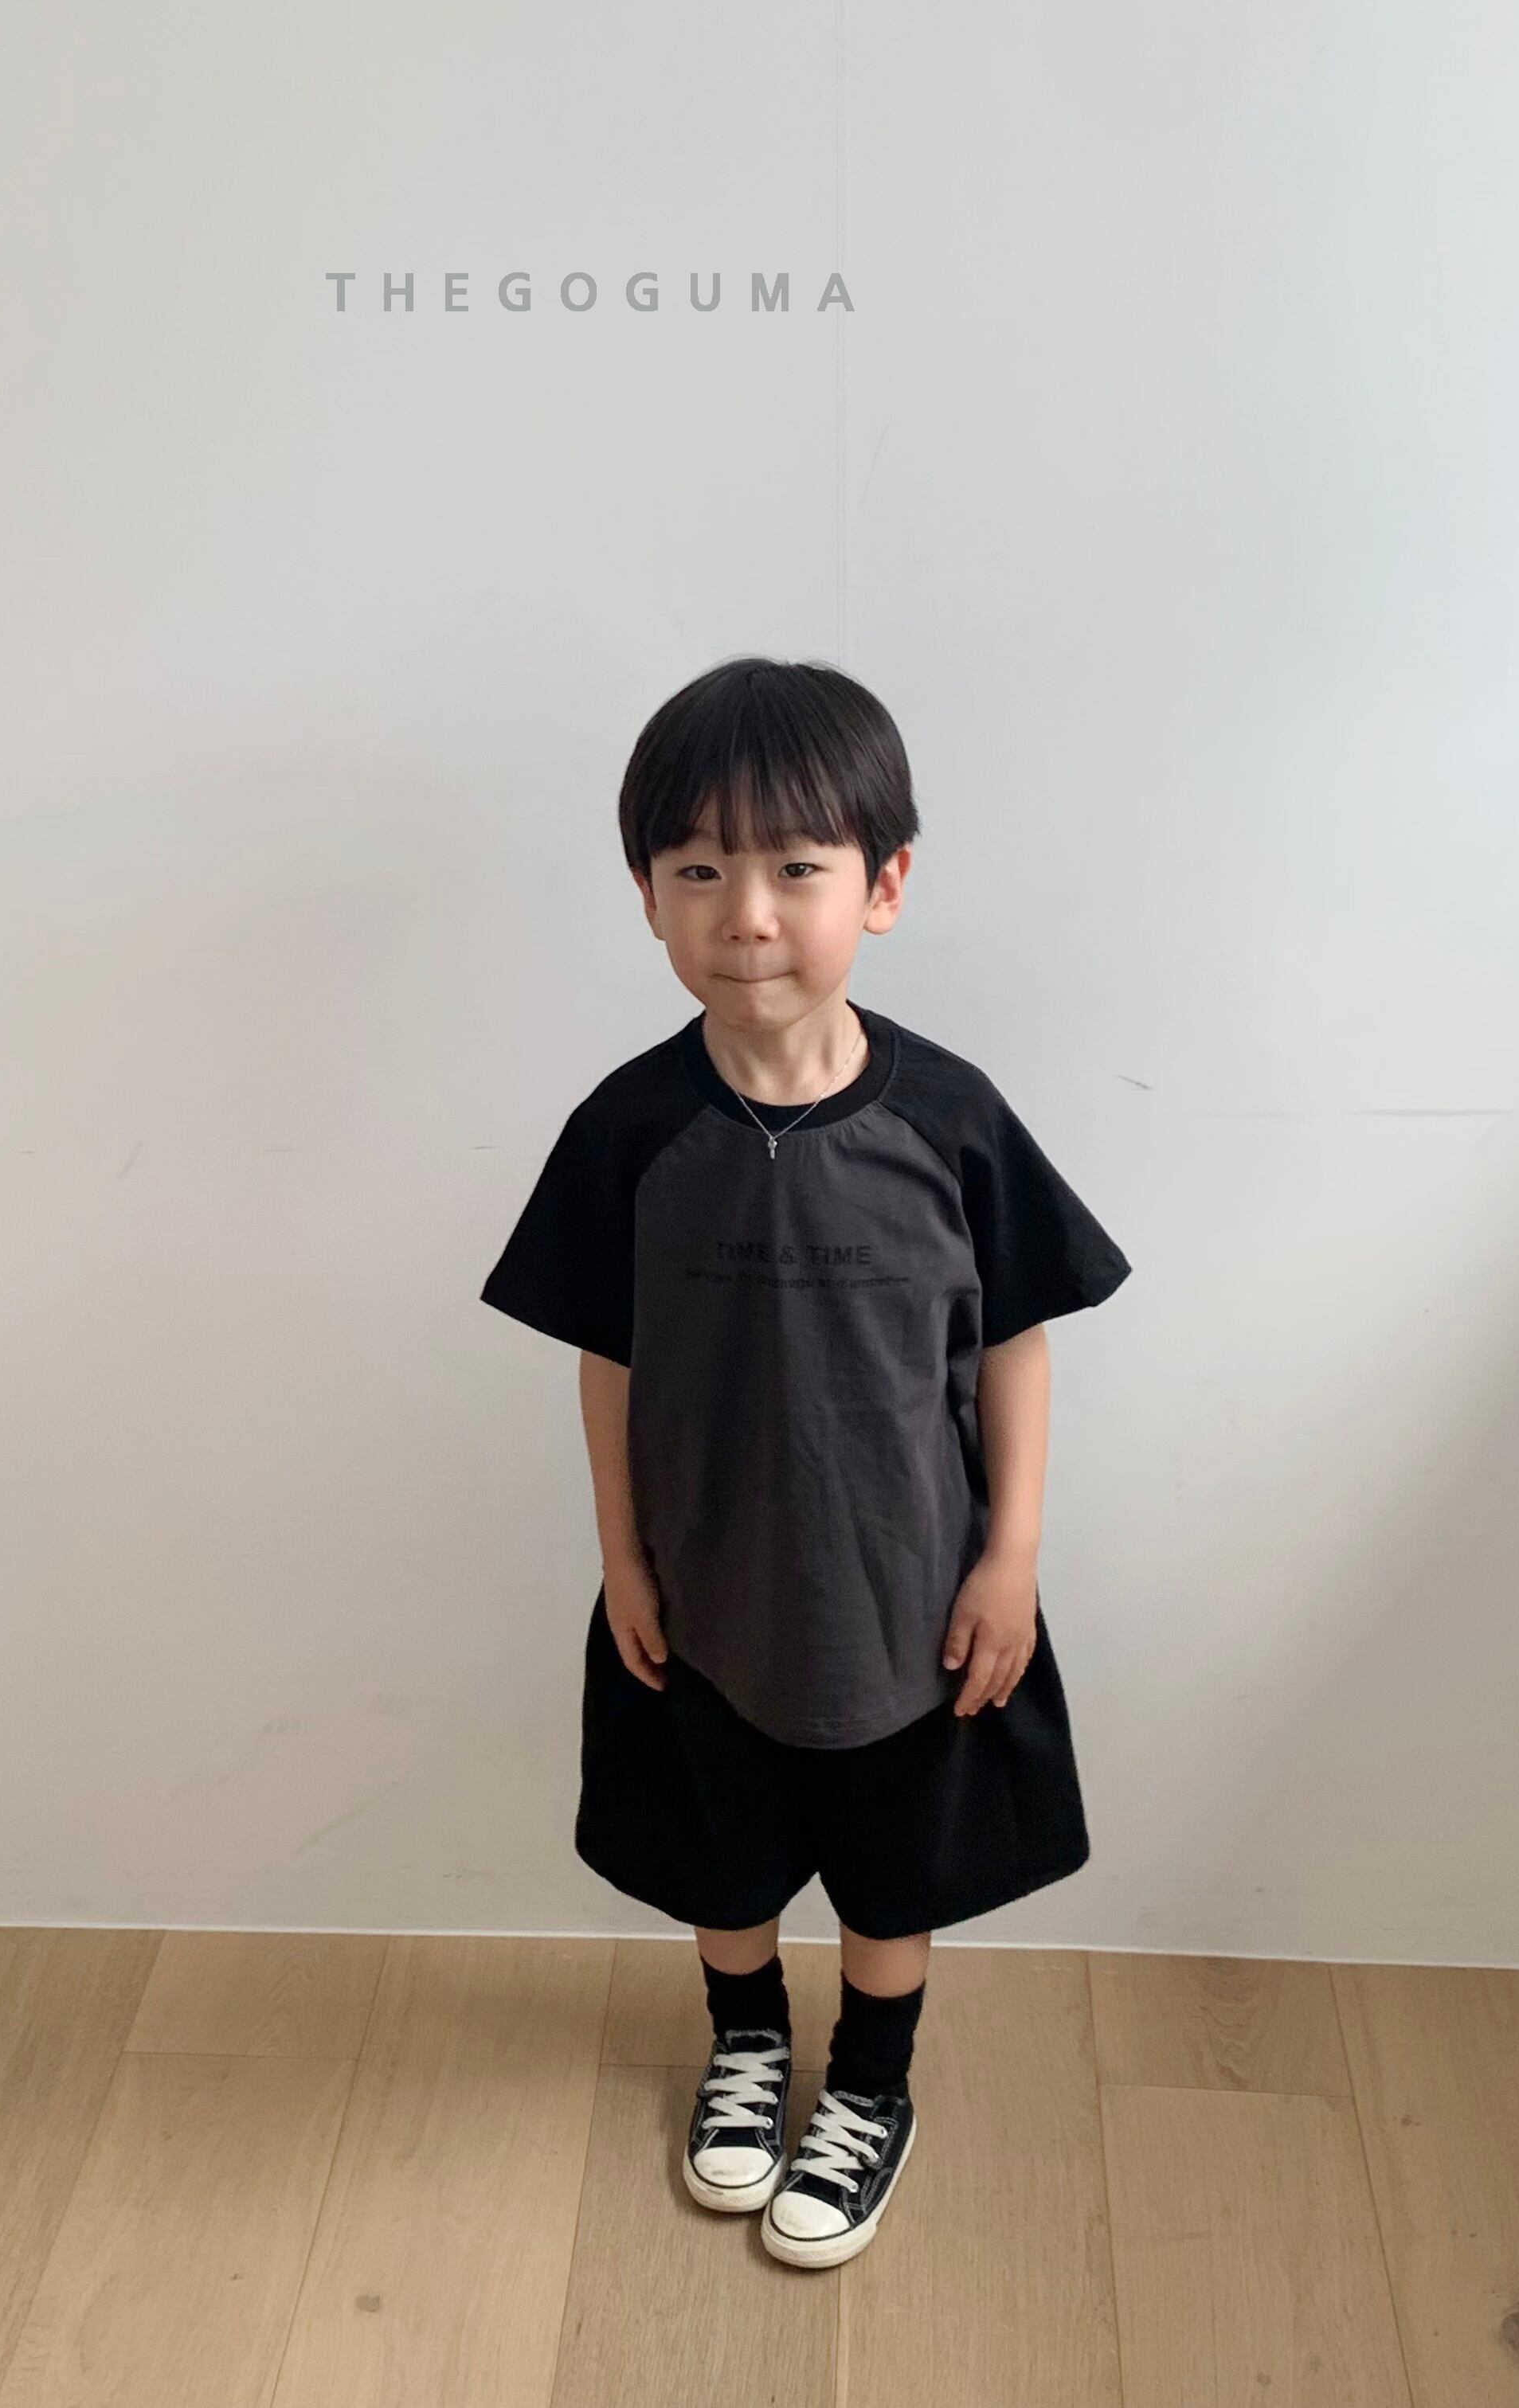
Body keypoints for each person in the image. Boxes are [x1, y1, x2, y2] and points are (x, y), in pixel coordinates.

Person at [478, 655, 1132, 2271]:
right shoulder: (631, 1131)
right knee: (724, 1851)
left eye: (795, 867)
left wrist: (1012, 1557)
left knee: (894, 1876)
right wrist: (624, 1559)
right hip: (706, 1600)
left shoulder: (952, 1122)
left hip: (910, 1602)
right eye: (699, 870)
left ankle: (871, 2085)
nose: (748, 915)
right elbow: (608, 1357)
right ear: (647, 895)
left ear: (883, 886)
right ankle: (747, 2042)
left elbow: (1016, 1340)